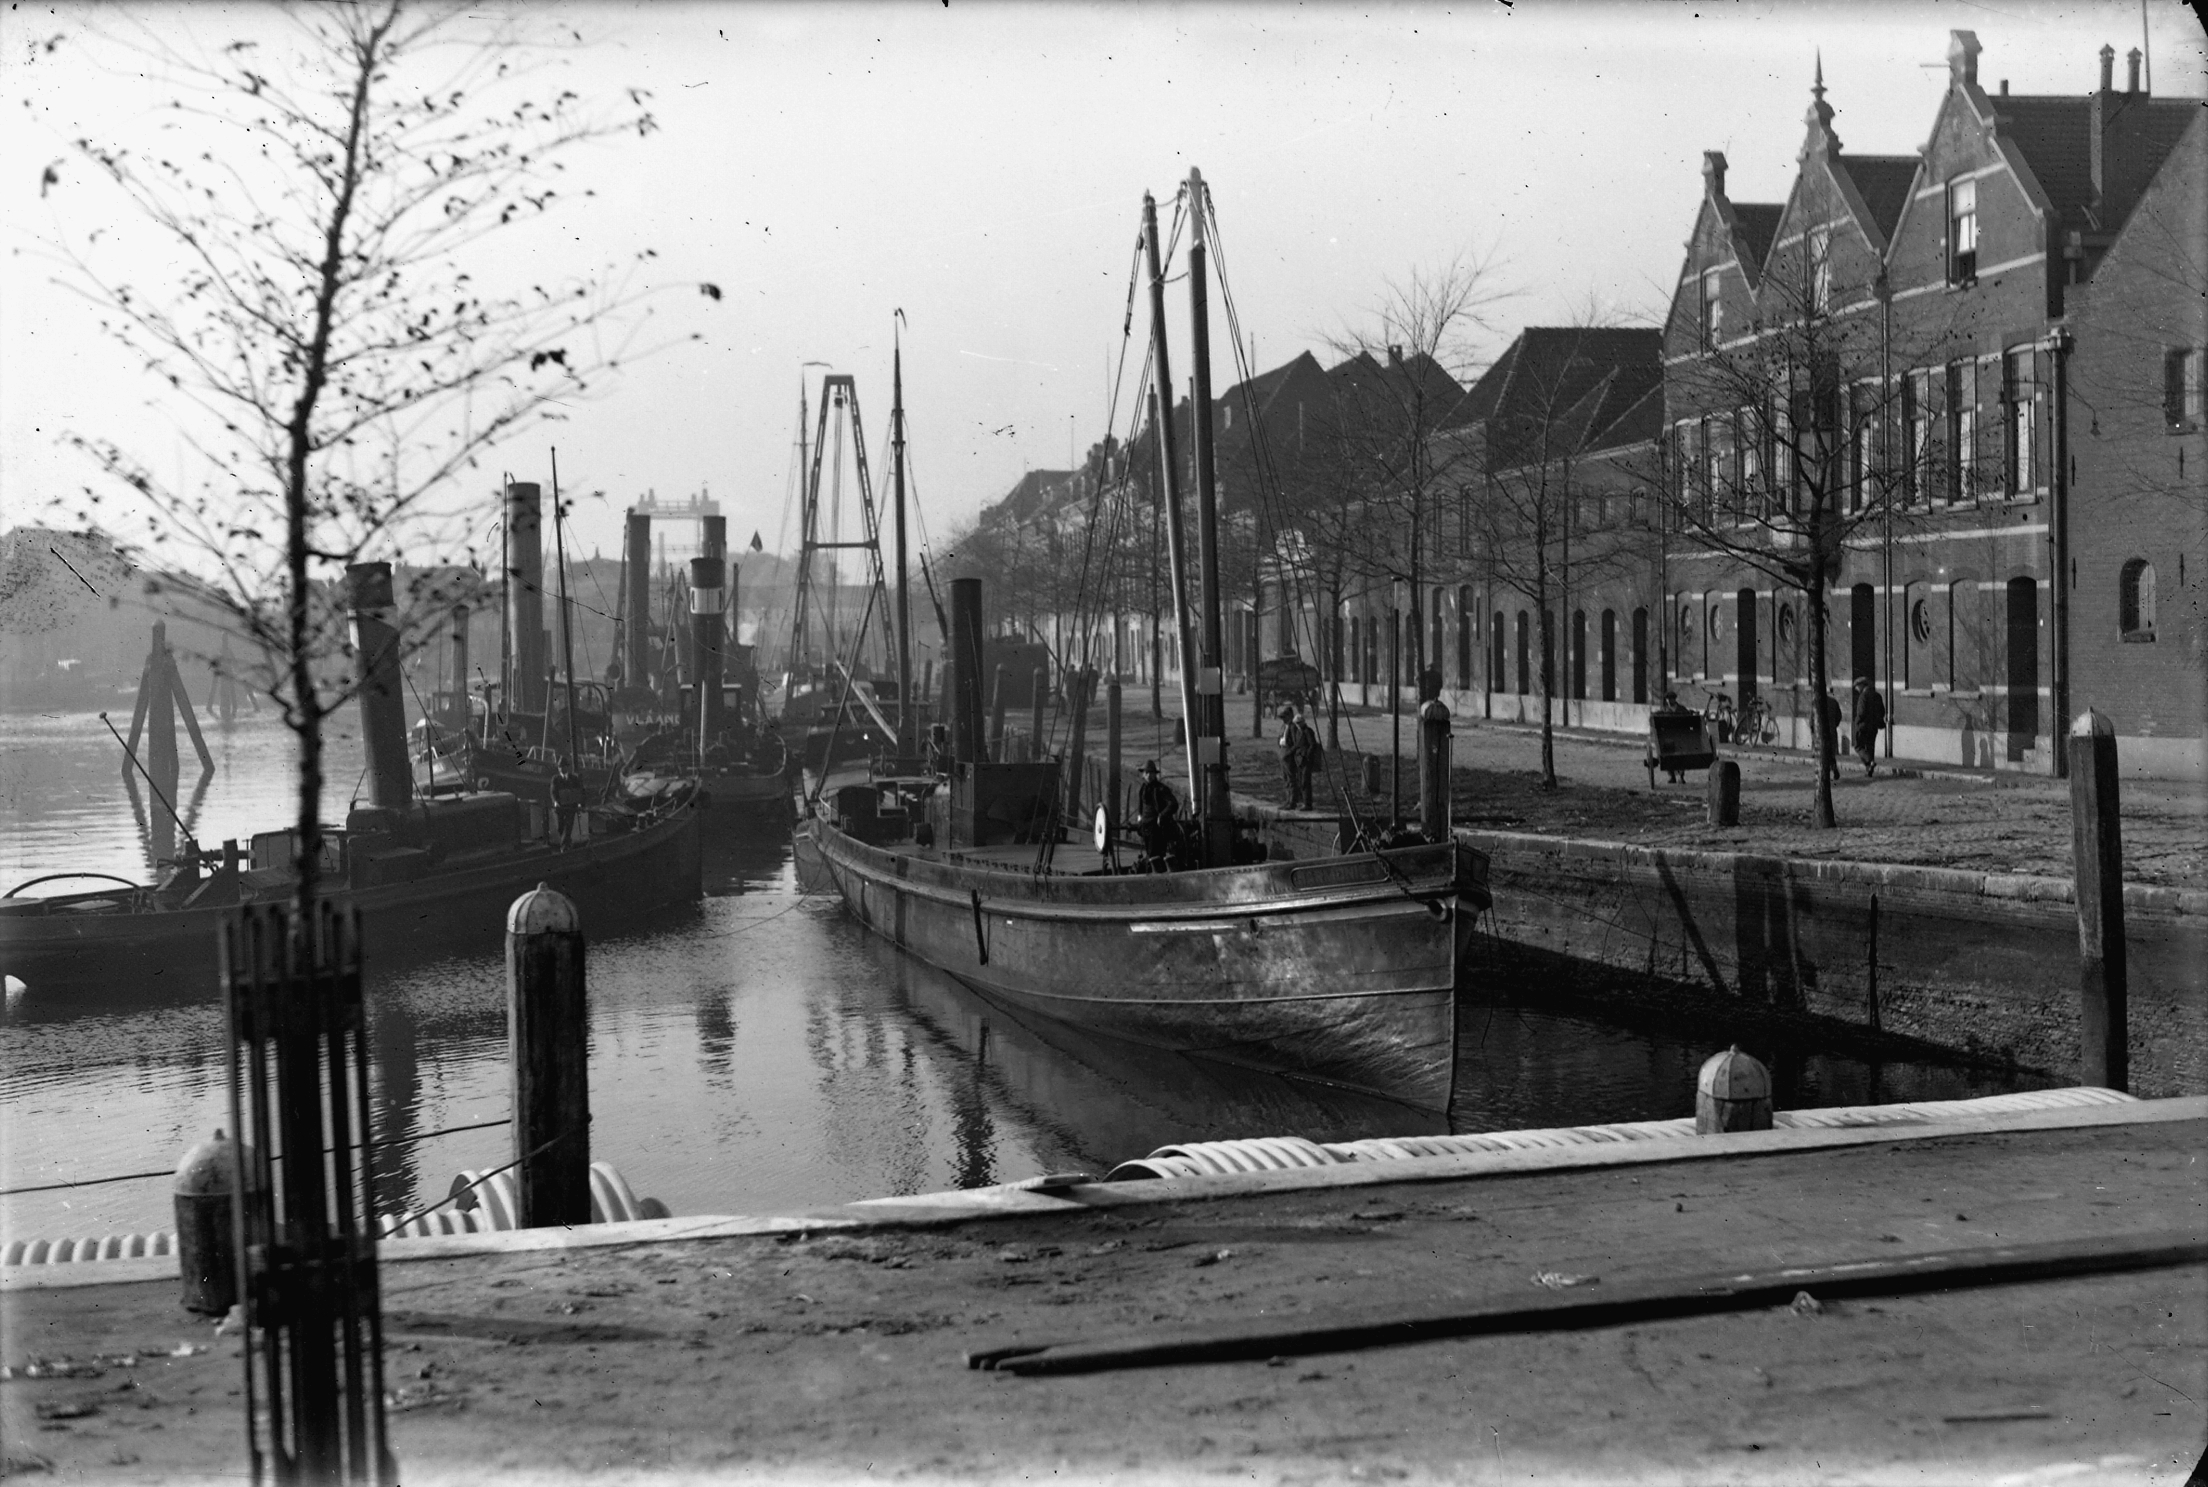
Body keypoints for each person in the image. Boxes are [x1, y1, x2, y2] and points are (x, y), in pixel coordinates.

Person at [1132, 759, 1182, 866]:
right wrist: (1140, 817)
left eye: (1151, 773)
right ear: (1143, 775)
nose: (1149, 775)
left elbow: (1173, 804)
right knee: (1150, 853)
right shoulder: (1143, 789)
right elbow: (1141, 806)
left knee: (1155, 854)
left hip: (1157, 827)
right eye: (1147, 773)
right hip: (1145, 826)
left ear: (1155, 774)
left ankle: (1156, 867)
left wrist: (1162, 815)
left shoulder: (1161, 789)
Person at [1276, 704, 1319, 811]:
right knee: (1287, 779)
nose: (1283, 720)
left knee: (1296, 780)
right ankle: (1289, 800)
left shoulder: (1297, 728)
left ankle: (1295, 801)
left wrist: (1298, 754)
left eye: (1285, 717)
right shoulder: (1285, 727)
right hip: (1285, 753)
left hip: (1294, 756)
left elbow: (1302, 744)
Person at [1851, 675, 1887, 778]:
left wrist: (1857, 722)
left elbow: (1861, 712)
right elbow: (1882, 711)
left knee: (1858, 746)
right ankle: (1869, 770)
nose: (1856, 689)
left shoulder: (1863, 696)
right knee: (1870, 747)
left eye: (1857, 686)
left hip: (1863, 726)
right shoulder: (1877, 695)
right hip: (1873, 726)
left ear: (1862, 685)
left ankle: (1870, 761)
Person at [1816, 685, 1845, 782]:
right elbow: (1839, 716)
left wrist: (1813, 729)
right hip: (1832, 731)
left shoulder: (1816, 702)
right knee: (1831, 753)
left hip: (1820, 732)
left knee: (1822, 754)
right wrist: (1834, 725)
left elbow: (1812, 718)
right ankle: (1834, 769)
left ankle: (1824, 775)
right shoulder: (1833, 702)